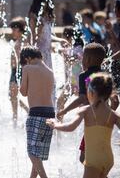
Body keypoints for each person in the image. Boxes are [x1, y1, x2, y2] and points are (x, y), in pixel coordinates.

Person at [47, 72, 120, 178]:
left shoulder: (85, 110)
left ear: (92, 93)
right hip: (108, 159)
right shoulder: (112, 114)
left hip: (93, 160)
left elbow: (71, 127)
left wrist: (55, 125)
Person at [57, 43, 106, 163]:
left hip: (93, 122)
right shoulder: (105, 74)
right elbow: (115, 100)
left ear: (87, 60)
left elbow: (82, 98)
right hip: (105, 120)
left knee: (85, 158)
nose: (81, 60)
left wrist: (65, 110)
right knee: (94, 156)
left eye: (83, 57)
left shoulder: (84, 76)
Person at [19, 46, 55, 178]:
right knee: (38, 155)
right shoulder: (50, 71)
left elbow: (23, 92)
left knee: (32, 153)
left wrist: (19, 85)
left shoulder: (28, 68)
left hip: (36, 113)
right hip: (50, 114)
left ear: (27, 58)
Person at [56, 27, 84, 121]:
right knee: (60, 102)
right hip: (72, 82)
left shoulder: (78, 49)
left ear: (69, 37)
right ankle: (59, 127)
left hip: (80, 82)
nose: (62, 40)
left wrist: (64, 53)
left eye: (63, 37)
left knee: (83, 107)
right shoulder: (70, 49)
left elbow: (75, 58)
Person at [8, 16, 29, 124]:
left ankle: (21, 114)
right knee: (12, 95)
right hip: (14, 70)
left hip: (21, 70)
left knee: (15, 94)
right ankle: (16, 116)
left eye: (13, 29)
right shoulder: (18, 41)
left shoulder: (24, 41)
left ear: (18, 29)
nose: (12, 32)